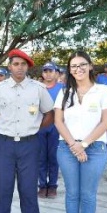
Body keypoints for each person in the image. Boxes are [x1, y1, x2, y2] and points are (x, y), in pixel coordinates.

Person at [0, 49, 54, 213]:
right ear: (9, 67)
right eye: (16, 64)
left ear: (28, 67)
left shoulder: (38, 89)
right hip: (5, 146)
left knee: (28, 193)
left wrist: (32, 128)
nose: (19, 68)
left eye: (23, 64)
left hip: (29, 145)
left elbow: (49, 114)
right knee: (3, 192)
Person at [54, 51, 107, 213]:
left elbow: (106, 122)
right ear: (69, 70)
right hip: (67, 148)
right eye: (74, 66)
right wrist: (74, 145)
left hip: (95, 149)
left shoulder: (103, 91)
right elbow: (58, 120)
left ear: (90, 66)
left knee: (88, 194)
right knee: (72, 193)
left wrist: (84, 145)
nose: (78, 68)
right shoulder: (65, 92)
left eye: (82, 64)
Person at [37, 62, 63, 198]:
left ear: (56, 73)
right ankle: (42, 185)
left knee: (53, 158)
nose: (48, 73)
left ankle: (52, 186)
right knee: (41, 158)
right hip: (40, 127)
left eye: (51, 71)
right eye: (45, 71)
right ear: (42, 73)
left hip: (56, 128)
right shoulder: (37, 88)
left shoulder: (63, 89)